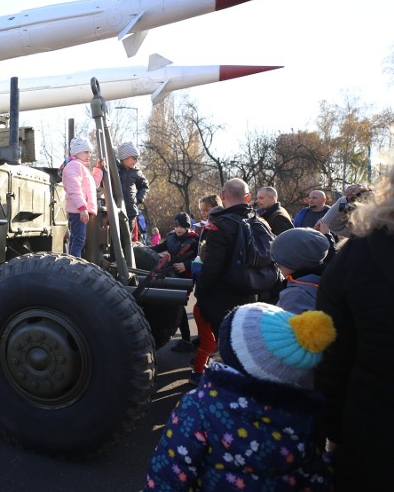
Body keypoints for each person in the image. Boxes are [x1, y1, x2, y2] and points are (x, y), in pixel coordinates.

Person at [145, 303, 336, 491]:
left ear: (231, 352)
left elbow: (168, 473)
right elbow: (314, 476)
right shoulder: (303, 416)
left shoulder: (199, 406)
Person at [314, 165, 394, 490]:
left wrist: (330, 431)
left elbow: (332, 358)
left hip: (376, 437)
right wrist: (345, 202)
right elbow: (326, 226)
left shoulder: (361, 255)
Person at [190, 178, 258, 384]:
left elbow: (213, 265)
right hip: (249, 290)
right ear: (247, 197)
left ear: (222, 195)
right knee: (242, 342)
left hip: (222, 295)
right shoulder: (257, 221)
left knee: (225, 344)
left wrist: (200, 290)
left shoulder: (220, 224)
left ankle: (225, 387)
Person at [152, 213, 198, 351]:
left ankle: (187, 340)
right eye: (177, 226)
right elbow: (158, 248)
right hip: (172, 274)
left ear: (188, 227)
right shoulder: (171, 237)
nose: (179, 229)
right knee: (176, 306)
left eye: (182, 227)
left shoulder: (194, 240)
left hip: (185, 277)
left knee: (180, 307)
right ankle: (186, 340)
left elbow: (201, 257)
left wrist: (186, 265)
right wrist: (141, 249)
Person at [270, 227, 331, 315]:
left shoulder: (295, 296)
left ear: (292, 262)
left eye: (279, 262)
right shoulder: (325, 279)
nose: (278, 266)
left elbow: (285, 327)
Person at [62, 137, 104, 258]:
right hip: (78, 210)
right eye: (86, 152)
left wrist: (98, 169)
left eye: (90, 152)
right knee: (79, 240)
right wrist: (82, 208)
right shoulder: (73, 167)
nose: (89, 155)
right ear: (76, 152)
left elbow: (92, 185)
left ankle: (73, 261)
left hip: (81, 210)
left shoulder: (81, 167)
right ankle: (75, 263)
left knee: (78, 239)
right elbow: (74, 190)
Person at [116, 142, 149, 241]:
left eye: (137, 158)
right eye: (134, 158)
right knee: (116, 236)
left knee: (127, 236)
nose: (136, 161)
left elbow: (145, 186)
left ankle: (126, 254)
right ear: (125, 157)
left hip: (130, 210)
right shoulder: (116, 170)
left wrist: (138, 199)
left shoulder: (136, 172)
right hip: (116, 209)